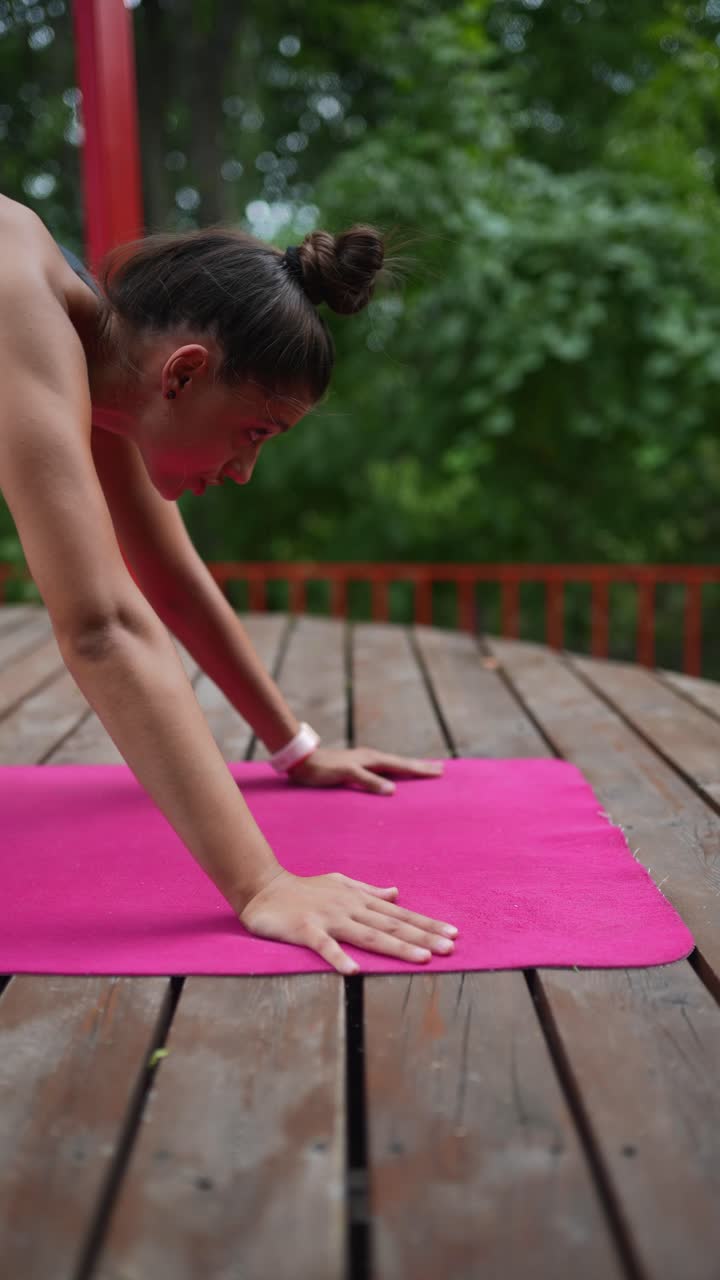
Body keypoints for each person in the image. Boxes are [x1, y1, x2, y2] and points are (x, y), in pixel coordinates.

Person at [0, 194, 458, 974]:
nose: (246, 472)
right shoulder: (14, 291)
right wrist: (262, 884)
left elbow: (167, 579)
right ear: (184, 373)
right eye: (256, 433)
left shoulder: (92, 356)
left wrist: (294, 747)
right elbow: (102, 626)